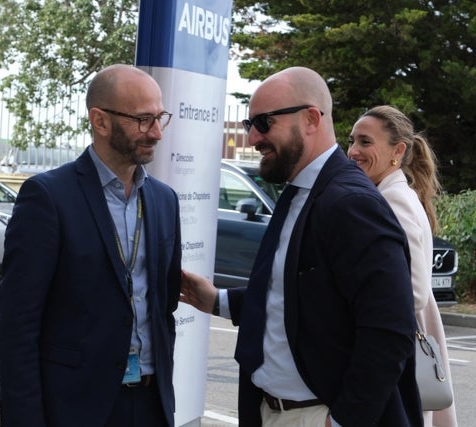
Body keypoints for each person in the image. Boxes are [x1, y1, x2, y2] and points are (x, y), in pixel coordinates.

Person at [180, 67, 423, 426]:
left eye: (263, 122)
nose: (252, 138)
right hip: (274, 411)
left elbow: (389, 330)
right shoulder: (301, 192)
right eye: (250, 125)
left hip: (315, 415)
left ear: (311, 118)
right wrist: (216, 300)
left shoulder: (351, 202)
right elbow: (292, 296)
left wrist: (342, 421)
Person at [0, 64, 182, 427]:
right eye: (143, 120)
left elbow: (164, 309)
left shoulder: (165, 200)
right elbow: (18, 325)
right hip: (74, 407)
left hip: (150, 404)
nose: (157, 132)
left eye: (159, 117)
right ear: (100, 121)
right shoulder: (47, 197)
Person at [348, 105, 457, 427]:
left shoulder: (393, 199)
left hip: (398, 342)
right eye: (352, 140)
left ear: (398, 151)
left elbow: (414, 292)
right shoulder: (391, 193)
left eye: (365, 142)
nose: (353, 150)